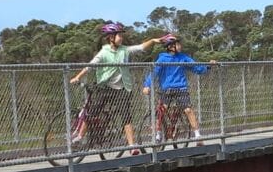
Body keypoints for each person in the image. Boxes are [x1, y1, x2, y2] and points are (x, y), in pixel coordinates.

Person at [69, 22, 161, 155]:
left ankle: (132, 146)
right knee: (92, 112)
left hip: (122, 89)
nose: (121, 38)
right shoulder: (104, 52)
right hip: (105, 88)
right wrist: (77, 76)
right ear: (111, 37)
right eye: (118, 36)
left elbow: (140, 47)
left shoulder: (124, 50)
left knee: (126, 117)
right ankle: (80, 136)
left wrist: (152, 41)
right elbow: (90, 66)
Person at [142, 34, 209, 140]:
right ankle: (158, 133)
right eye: (176, 44)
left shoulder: (183, 57)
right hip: (166, 89)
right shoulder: (162, 58)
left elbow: (196, 67)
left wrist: (208, 67)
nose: (179, 46)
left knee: (188, 110)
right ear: (170, 46)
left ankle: (197, 135)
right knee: (162, 110)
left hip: (181, 88)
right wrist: (147, 85)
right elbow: (154, 72)